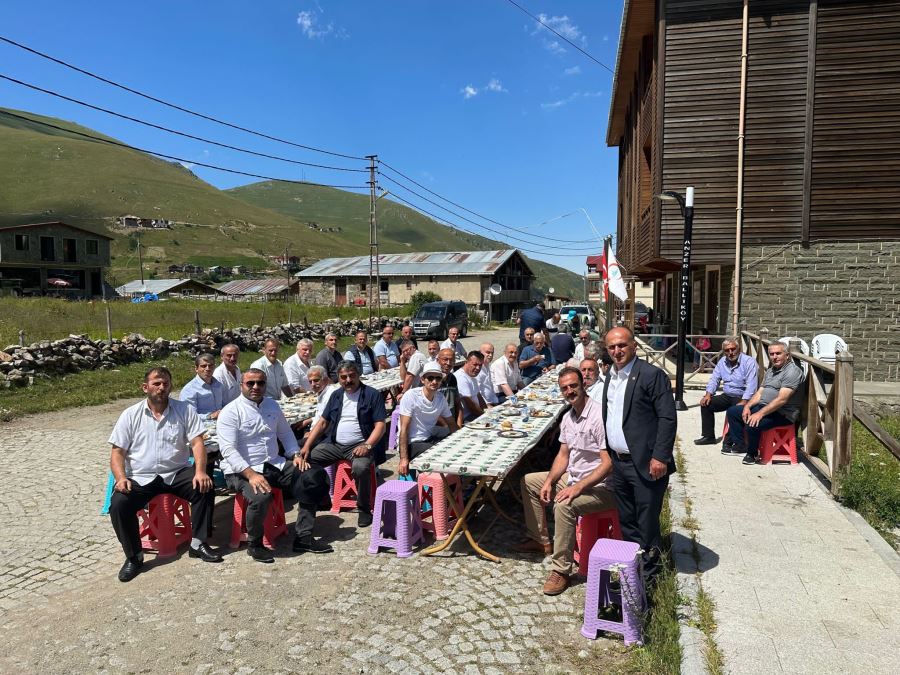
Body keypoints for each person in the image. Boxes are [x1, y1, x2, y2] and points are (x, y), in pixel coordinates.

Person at [108, 367, 221, 582]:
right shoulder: (130, 415)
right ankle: (134, 556)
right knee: (120, 504)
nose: (161, 388)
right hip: (141, 475)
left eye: (165, 383)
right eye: (156, 383)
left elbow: (198, 443)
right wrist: (121, 478)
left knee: (204, 485)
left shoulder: (184, 410)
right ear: (145, 387)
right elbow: (117, 452)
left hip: (175, 472)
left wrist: (199, 471)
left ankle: (198, 543)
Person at [517, 367, 615, 595]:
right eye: (565, 388)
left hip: (601, 487)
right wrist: (550, 480)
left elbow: (608, 464)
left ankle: (561, 570)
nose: (570, 391)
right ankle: (541, 540)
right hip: (574, 479)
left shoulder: (598, 415)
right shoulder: (568, 417)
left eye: (573, 385)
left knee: (564, 505)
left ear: (583, 385)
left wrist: (579, 487)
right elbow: (563, 455)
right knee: (530, 481)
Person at [217, 369, 332, 562]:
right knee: (261, 496)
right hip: (242, 470)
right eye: (250, 383)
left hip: (273, 463)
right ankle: (255, 544)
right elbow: (228, 450)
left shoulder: (272, 405)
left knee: (312, 476)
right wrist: (251, 474)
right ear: (241, 386)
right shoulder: (230, 412)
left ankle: (304, 536)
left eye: (260, 383)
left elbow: (286, 434)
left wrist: (294, 454)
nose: (255, 387)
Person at [602, 326, 676, 586]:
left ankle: (652, 581)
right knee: (628, 521)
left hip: (646, 463)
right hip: (619, 463)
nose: (617, 351)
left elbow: (667, 417)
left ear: (634, 346)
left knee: (647, 523)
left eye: (622, 345)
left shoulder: (651, 375)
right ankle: (635, 571)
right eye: (612, 347)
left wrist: (660, 457)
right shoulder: (611, 376)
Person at [299, 361, 387, 528]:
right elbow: (323, 422)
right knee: (308, 459)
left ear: (358, 375)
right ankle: (323, 496)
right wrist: (307, 446)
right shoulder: (337, 395)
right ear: (338, 378)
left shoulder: (371, 394)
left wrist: (367, 445)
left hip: (360, 444)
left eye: (351, 376)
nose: (348, 380)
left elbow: (380, 426)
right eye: (343, 377)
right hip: (335, 444)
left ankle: (364, 508)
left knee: (360, 468)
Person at [724, 342, 803, 465]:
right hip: (765, 408)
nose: (774, 357)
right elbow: (760, 392)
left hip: (783, 413)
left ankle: (752, 454)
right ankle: (740, 446)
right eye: (772, 354)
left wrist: (759, 413)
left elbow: (782, 399)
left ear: (787, 355)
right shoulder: (771, 370)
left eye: (778, 353)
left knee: (753, 423)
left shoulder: (792, 371)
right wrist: (748, 406)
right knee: (733, 411)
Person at [694, 337, 758, 446]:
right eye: (727, 350)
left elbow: (752, 385)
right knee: (706, 404)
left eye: (733, 349)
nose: (730, 353)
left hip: (742, 396)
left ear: (739, 349)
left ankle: (733, 439)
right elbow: (714, 379)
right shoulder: (722, 362)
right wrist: (708, 394)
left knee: (735, 410)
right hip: (727, 395)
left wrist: (744, 401)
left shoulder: (749, 362)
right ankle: (708, 436)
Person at [397, 362, 458, 475]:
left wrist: (460, 441)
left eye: (438, 378)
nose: (434, 382)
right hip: (412, 442)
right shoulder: (411, 396)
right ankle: (441, 486)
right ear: (422, 380)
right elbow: (404, 429)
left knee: (453, 443)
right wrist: (403, 458)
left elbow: (451, 423)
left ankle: (461, 481)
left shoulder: (440, 398)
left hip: (428, 436)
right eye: (430, 378)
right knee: (438, 452)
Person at [295, 365, 340, 440]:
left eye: (316, 380)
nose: (313, 384)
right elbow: (321, 415)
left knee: (293, 445)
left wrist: (311, 433)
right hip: (314, 428)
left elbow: (326, 423)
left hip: (322, 435)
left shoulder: (330, 395)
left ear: (325, 380)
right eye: (310, 382)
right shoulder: (321, 392)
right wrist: (308, 420)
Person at [180, 353, 226, 420]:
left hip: (221, 422)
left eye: (210, 365)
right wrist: (210, 416)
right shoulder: (189, 389)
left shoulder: (218, 385)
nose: (208, 369)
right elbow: (188, 416)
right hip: (202, 426)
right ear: (196, 369)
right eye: (203, 366)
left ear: (214, 367)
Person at [456, 351, 488, 422]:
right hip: (468, 417)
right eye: (475, 364)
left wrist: (487, 411)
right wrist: (485, 415)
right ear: (466, 362)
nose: (478, 368)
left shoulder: (472, 375)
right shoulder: (461, 377)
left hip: (476, 414)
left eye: (480, 365)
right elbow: (470, 405)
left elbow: (479, 396)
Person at [437, 347, 465, 428]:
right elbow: (430, 411)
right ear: (438, 360)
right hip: (438, 427)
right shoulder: (432, 380)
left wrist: (458, 427)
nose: (448, 363)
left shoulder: (453, 378)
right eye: (445, 359)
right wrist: (449, 428)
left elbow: (458, 405)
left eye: (451, 360)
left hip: (452, 425)